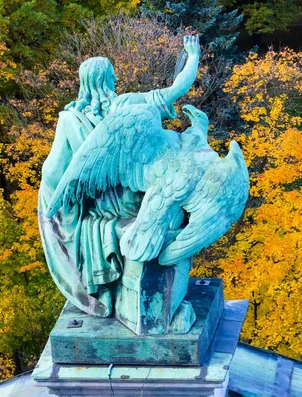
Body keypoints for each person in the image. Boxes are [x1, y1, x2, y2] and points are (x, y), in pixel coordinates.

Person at [38, 35, 201, 317]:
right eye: (113, 76)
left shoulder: (69, 120)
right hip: (136, 202)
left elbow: (52, 173)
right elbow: (177, 88)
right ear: (107, 80)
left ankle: (107, 288)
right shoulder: (127, 106)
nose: (115, 80)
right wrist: (193, 56)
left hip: (103, 212)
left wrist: (56, 200)